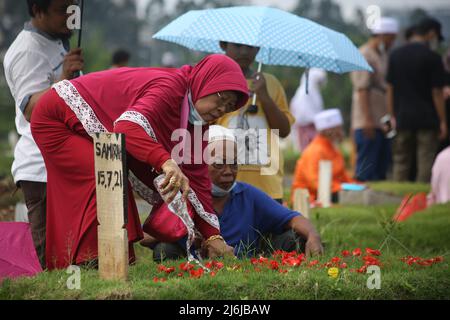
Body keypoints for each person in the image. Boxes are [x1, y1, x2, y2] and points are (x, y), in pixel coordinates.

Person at [30, 54, 249, 269]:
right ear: (206, 82)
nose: (221, 109)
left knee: (110, 181)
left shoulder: (197, 124)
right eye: (221, 99)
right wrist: (166, 162)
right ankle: (92, 263)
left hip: (85, 126)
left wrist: (213, 237)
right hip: (57, 116)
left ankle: (96, 263)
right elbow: (127, 128)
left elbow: (197, 179)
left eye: (229, 107)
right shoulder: (170, 87)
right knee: (105, 178)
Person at [145, 125, 323, 260]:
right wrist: (187, 236)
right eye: (219, 164)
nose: (229, 171)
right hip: (197, 264)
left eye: (234, 164)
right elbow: (146, 236)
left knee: (294, 237)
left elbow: (293, 218)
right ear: (199, 166)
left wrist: (313, 236)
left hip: (244, 263)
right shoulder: (183, 195)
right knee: (164, 249)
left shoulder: (248, 195)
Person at [3, 0, 84, 267]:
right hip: (41, 168)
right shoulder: (28, 51)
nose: (71, 17)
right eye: (63, 10)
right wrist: (63, 77)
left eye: (74, 9)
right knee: (50, 257)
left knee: (73, 249)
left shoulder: (58, 40)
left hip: (62, 163)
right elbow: (31, 109)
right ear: (38, 10)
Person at [214, 42, 295, 203]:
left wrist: (264, 96)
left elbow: (284, 130)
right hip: (224, 182)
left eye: (250, 47)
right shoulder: (215, 82)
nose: (244, 51)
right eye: (237, 45)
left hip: (267, 183)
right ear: (223, 45)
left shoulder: (270, 83)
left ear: (258, 48)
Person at [386, 17, 447, 183]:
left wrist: (392, 115)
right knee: (425, 160)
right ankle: (421, 197)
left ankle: (396, 197)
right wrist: (442, 120)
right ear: (431, 34)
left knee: (401, 160)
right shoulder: (433, 57)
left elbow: (390, 89)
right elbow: (437, 93)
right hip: (427, 118)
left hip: (402, 116)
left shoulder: (396, 55)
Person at [351, 17, 398, 181]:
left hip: (381, 119)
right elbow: (362, 89)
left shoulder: (383, 54)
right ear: (382, 35)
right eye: (391, 38)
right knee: (366, 168)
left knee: (380, 167)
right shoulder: (364, 54)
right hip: (367, 121)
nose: (392, 43)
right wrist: (367, 119)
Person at [291, 109, 355, 203]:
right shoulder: (315, 150)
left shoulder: (333, 149)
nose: (341, 132)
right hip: (309, 197)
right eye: (338, 128)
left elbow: (342, 176)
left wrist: (356, 186)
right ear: (328, 131)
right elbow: (316, 182)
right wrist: (340, 187)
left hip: (331, 191)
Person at [290, 68, 327, 152]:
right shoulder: (306, 91)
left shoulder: (309, 91)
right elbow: (303, 114)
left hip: (312, 127)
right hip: (307, 128)